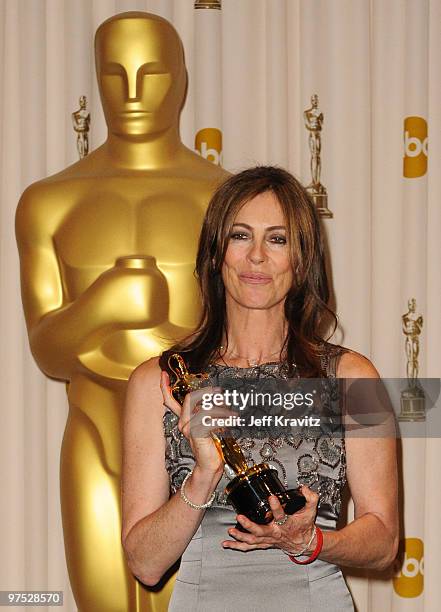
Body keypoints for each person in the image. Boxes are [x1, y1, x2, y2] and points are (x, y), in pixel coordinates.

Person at [122, 166, 399, 611]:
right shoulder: (157, 382)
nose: (256, 257)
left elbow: (383, 541)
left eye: (277, 239)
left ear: (302, 259)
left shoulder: (351, 378)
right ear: (216, 253)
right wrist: (204, 472)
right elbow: (145, 563)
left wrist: (308, 541)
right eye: (239, 235)